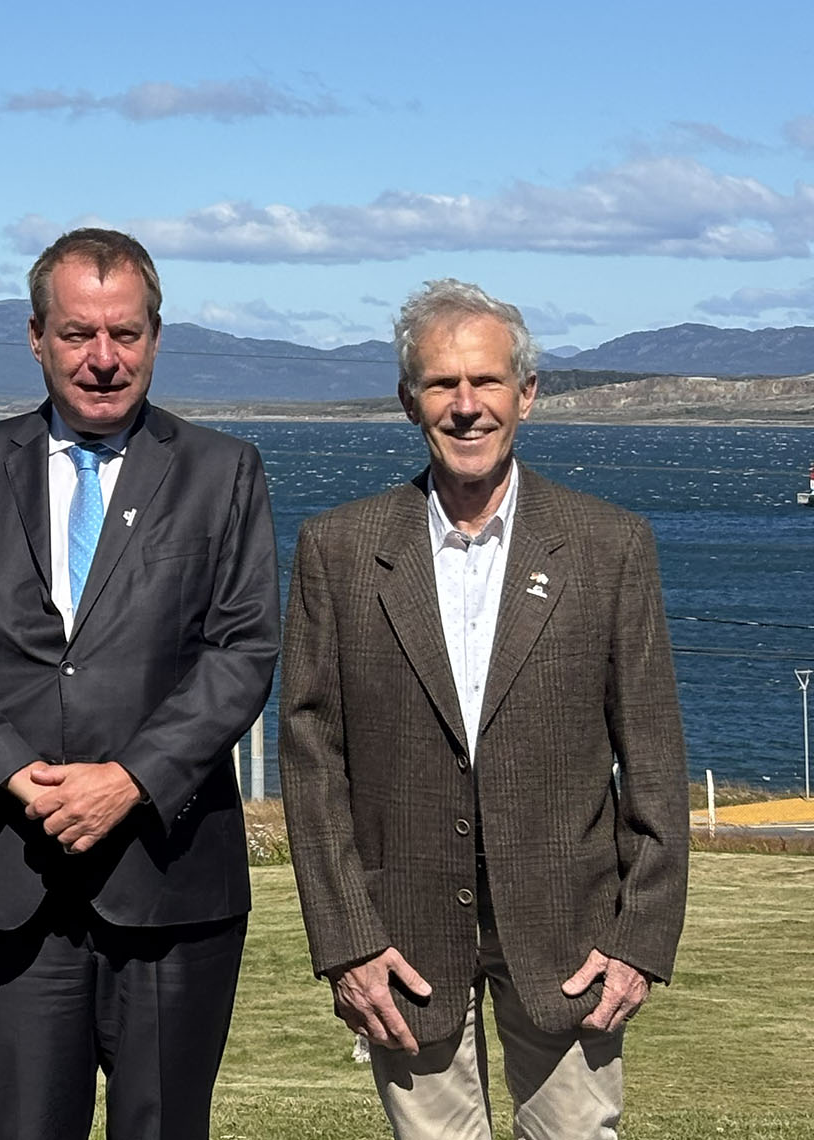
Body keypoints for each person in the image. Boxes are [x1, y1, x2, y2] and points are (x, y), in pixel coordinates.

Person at [0, 227, 280, 1140]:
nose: (104, 358)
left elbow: (244, 648)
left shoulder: (223, 472)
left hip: (171, 880)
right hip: (14, 875)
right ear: (36, 338)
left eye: (125, 334)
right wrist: (11, 773)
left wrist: (131, 779)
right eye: (78, 334)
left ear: (156, 338)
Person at [279, 278, 688, 1139]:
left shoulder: (610, 546)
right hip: (402, 944)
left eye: (487, 381)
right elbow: (312, 760)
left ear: (526, 394)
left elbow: (653, 756)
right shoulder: (338, 550)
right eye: (442, 384)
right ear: (409, 401)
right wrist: (347, 941)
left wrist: (641, 941)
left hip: (574, 940)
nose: (466, 406)